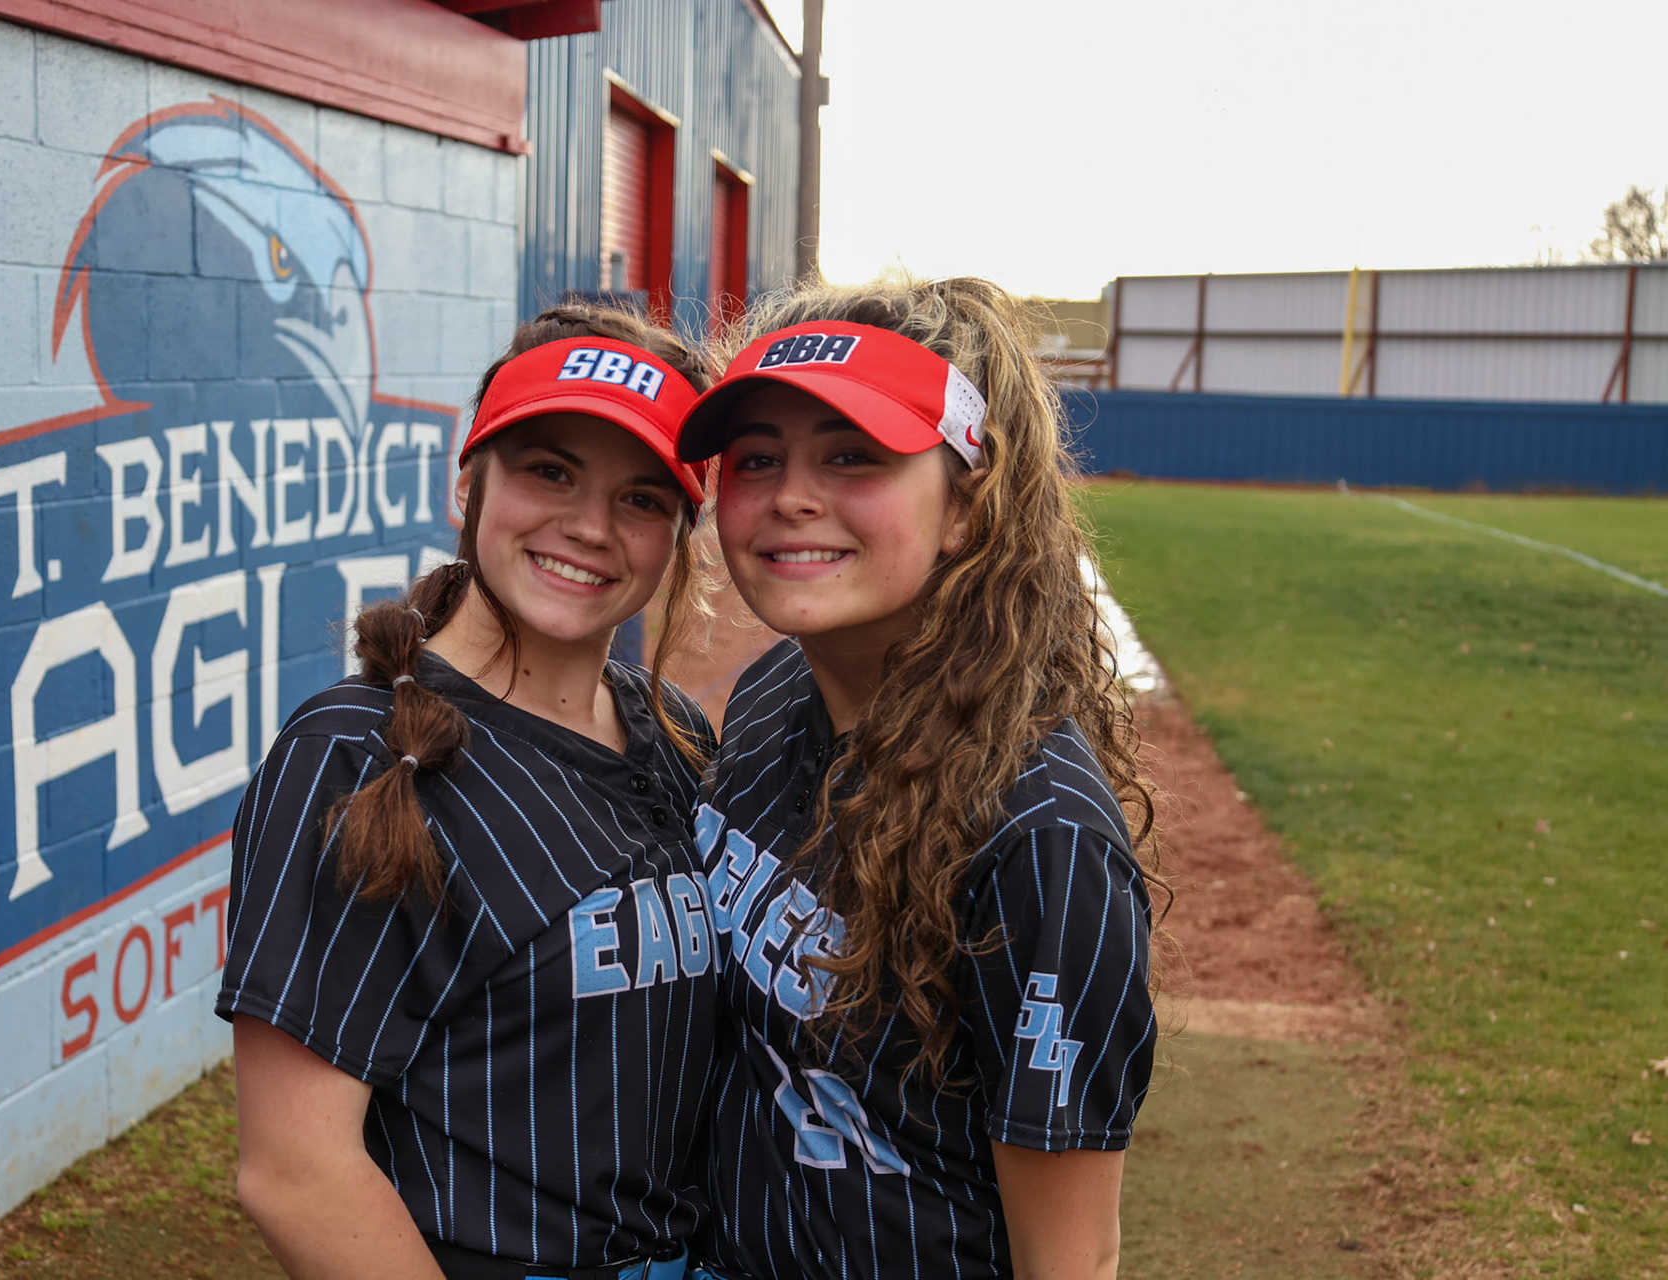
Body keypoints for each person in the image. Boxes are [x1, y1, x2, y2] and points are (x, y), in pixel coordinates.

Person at [219, 305, 721, 1280]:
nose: (588, 526)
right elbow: (295, 1169)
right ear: (470, 477)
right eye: (550, 469)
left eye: (643, 497)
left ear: (677, 534)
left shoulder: (675, 732)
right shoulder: (359, 754)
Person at [674, 278, 1160, 1280]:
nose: (790, 495)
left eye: (853, 456)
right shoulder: (773, 691)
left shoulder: (1040, 836)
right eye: (758, 457)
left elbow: (1069, 1256)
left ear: (965, 510)